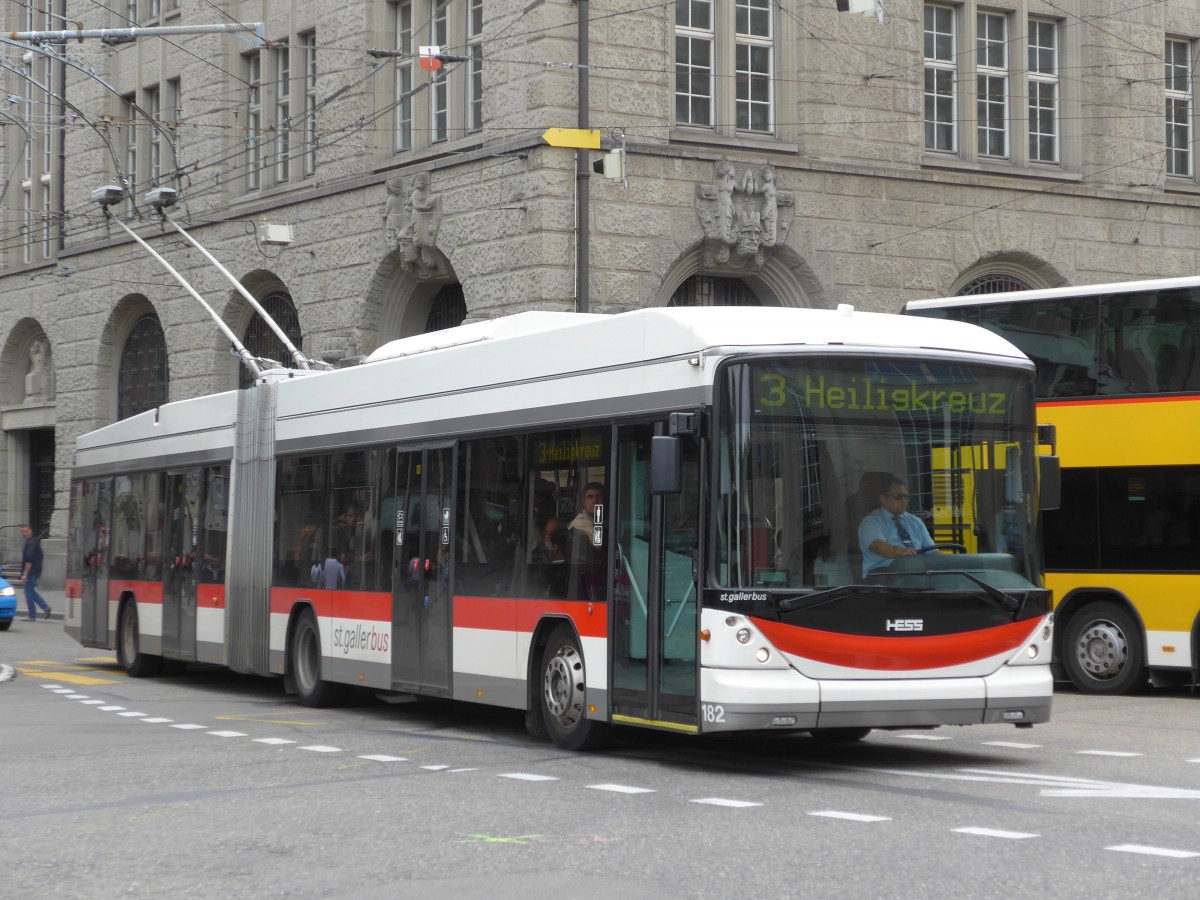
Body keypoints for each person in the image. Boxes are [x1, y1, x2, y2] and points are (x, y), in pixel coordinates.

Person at [857, 477, 939, 578]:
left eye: (906, 496)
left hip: (915, 574)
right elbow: (878, 546)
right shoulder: (871, 522)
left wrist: (948, 563)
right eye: (898, 496)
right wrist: (901, 552)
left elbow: (932, 552)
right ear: (883, 499)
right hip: (882, 578)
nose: (904, 500)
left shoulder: (915, 521)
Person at [20, 524, 52, 621]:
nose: (23, 534)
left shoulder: (31, 542)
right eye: (22, 532)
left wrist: (25, 574)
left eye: (25, 531)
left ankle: (32, 615)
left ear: (30, 531)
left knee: (28, 593)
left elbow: (29, 559)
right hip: (35, 570)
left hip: (31, 571)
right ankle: (45, 608)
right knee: (30, 592)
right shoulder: (32, 541)